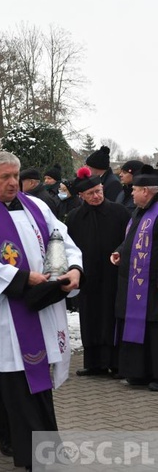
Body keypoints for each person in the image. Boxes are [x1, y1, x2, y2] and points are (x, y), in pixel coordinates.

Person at [0, 152, 83, 470]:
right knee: (26, 383)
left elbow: (62, 238)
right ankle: (43, 456)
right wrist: (20, 277)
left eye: (15, 176)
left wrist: (74, 268)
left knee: (23, 380)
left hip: (42, 306)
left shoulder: (38, 207)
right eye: (4, 177)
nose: (12, 182)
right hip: (7, 312)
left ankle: (1, 426)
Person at [66, 167, 130, 377]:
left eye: (99, 191)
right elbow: (70, 246)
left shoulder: (119, 212)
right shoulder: (75, 217)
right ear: (81, 196)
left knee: (110, 317)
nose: (96, 196)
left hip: (112, 275)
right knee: (90, 317)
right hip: (88, 276)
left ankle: (115, 362)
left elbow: (127, 241)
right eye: (91, 193)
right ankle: (93, 363)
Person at [111, 165, 158, 391]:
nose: (132, 193)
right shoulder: (139, 211)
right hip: (134, 282)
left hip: (153, 284)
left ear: (147, 191)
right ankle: (138, 373)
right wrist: (121, 251)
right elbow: (131, 239)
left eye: (136, 189)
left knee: (154, 331)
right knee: (137, 326)